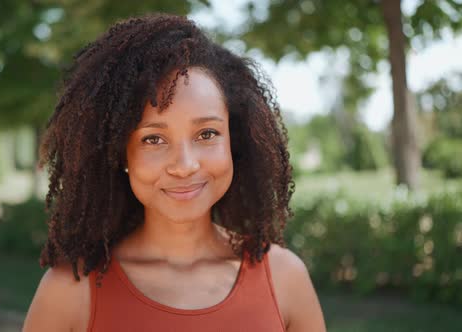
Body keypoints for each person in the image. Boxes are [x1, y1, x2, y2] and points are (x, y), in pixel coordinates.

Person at [23, 13, 326, 332]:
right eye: (153, 139)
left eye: (207, 134)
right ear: (120, 153)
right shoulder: (70, 291)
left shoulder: (285, 279)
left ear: (234, 140)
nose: (185, 165)